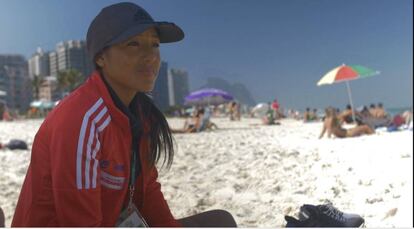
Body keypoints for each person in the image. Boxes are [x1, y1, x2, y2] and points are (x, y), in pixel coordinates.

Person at [12, 2, 236, 227]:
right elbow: (80, 222)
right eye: (134, 44)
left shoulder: (140, 115)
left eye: (155, 45)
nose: (150, 56)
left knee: (221, 221)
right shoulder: (82, 120)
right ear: (101, 58)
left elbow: (147, 189)